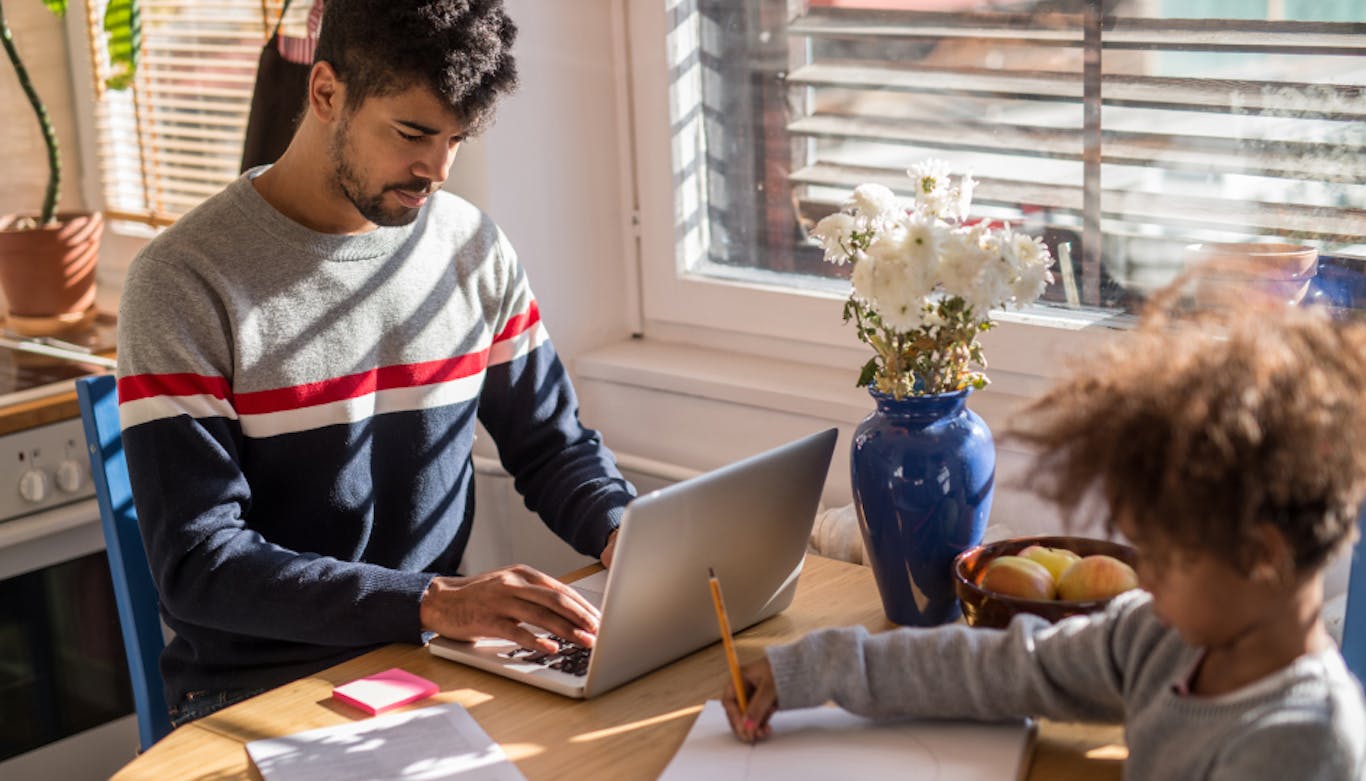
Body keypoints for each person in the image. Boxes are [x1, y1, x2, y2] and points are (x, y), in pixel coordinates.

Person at [116, 0, 635, 727]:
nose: (437, 170)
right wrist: (432, 601)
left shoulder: (471, 249)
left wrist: (631, 538)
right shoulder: (184, 282)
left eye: (457, 138)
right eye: (413, 133)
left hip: (428, 661)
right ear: (326, 92)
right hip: (262, 688)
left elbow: (551, 445)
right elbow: (201, 566)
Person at [721, 297, 1366, 780]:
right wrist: (813, 668)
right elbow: (1007, 668)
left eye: (1169, 557)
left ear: (1262, 556)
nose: (1145, 574)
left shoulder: (1302, 745)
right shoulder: (1159, 637)